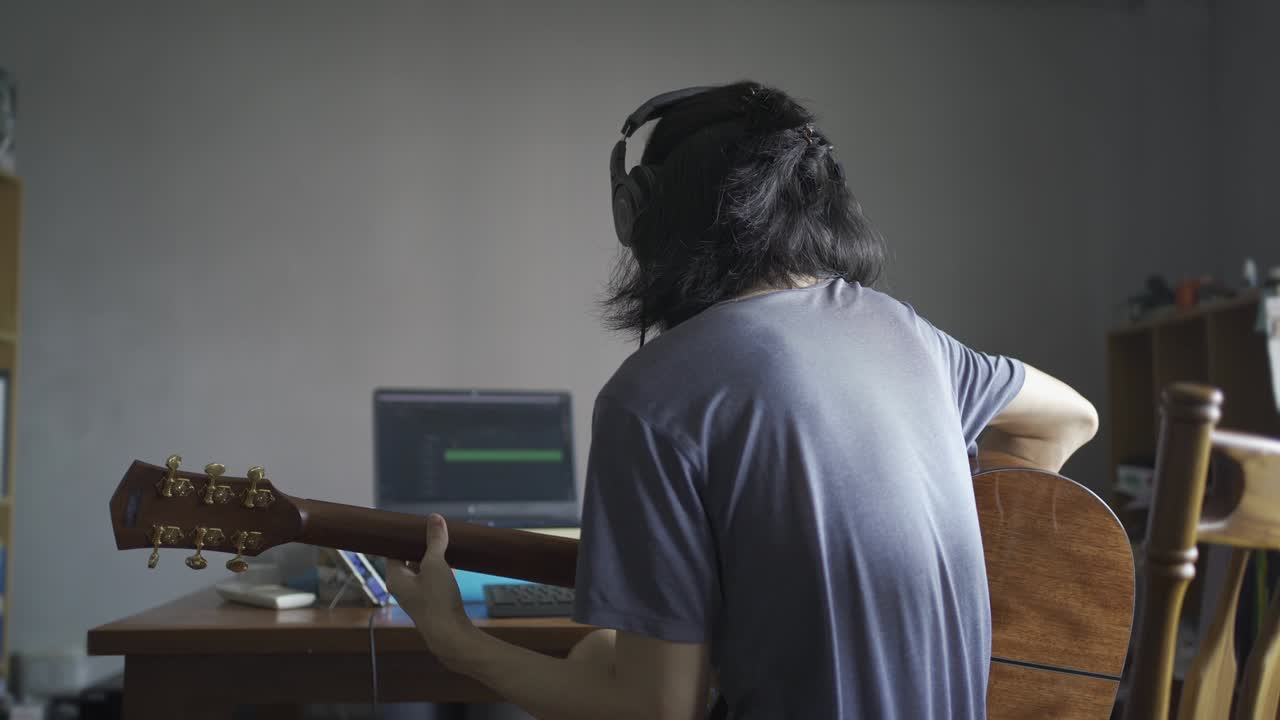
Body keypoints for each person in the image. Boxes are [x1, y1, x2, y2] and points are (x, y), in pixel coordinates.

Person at [386, 81, 1098, 719]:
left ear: (644, 215)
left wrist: (459, 646)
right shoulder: (909, 337)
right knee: (599, 652)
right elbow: (1069, 420)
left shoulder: (652, 397)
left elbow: (655, 711)